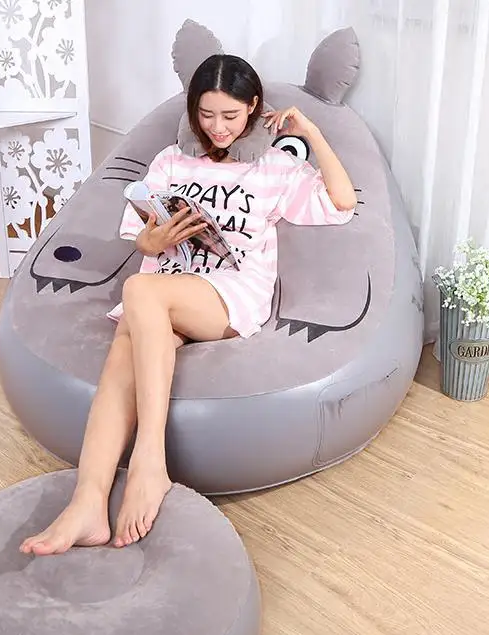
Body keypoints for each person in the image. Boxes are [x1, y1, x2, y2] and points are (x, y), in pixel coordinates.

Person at [19, 54, 357, 556]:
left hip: (228, 293)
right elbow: (141, 237)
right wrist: (153, 243)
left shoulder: (274, 166)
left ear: (253, 107)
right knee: (126, 343)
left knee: (139, 291)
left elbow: (343, 201)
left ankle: (149, 462)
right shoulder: (170, 162)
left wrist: (311, 132)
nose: (217, 127)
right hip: (166, 287)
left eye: (230, 115)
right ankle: (87, 502)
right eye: (206, 114)